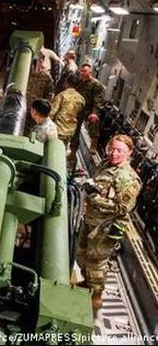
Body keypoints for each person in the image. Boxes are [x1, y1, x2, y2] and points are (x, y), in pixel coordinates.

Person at [74, 135, 142, 316]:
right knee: (82, 255)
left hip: (105, 227)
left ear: (129, 153)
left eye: (120, 150)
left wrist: (94, 197)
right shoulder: (106, 164)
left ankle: (96, 297)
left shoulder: (128, 178)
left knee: (96, 263)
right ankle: (87, 284)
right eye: (112, 148)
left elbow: (122, 208)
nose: (114, 153)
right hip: (91, 220)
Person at [70, 64, 105, 158]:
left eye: (84, 71)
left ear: (90, 72)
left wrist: (94, 113)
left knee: (94, 123)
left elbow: (98, 100)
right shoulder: (79, 82)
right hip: (79, 109)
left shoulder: (96, 84)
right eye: (81, 71)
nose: (82, 73)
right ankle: (73, 152)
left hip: (90, 109)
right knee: (75, 130)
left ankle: (94, 143)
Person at [51, 75, 85, 148]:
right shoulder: (81, 99)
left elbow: (52, 112)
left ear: (67, 83)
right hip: (71, 129)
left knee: (54, 148)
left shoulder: (62, 95)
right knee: (64, 148)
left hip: (59, 128)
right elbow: (80, 113)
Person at [24, 60, 55, 135]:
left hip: (36, 111)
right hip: (23, 108)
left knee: (33, 131)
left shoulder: (46, 77)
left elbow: (50, 94)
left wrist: (43, 108)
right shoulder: (24, 73)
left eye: (40, 61)